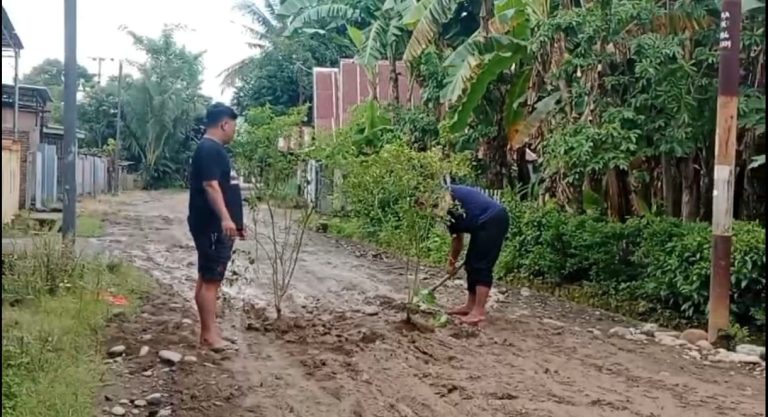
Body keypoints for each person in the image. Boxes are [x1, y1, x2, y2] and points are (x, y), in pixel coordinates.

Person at [187, 102, 244, 352]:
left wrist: (235, 222)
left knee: (206, 278)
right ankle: (210, 336)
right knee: (211, 281)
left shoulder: (210, 149)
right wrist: (225, 219)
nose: (234, 132)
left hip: (213, 224)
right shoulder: (210, 149)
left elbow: (224, 188)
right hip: (211, 225)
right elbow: (211, 186)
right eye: (234, 127)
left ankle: (208, 334)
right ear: (224, 124)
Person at [444, 184, 509, 325]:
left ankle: (479, 311)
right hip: (480, 225)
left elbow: (457, 241)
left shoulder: (449, 199)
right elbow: (457, 240)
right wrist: (451, 263)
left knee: (481, 265)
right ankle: (470, 305)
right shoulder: (446, 210)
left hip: (493, 220)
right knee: (471, 264)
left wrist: (451, 264)